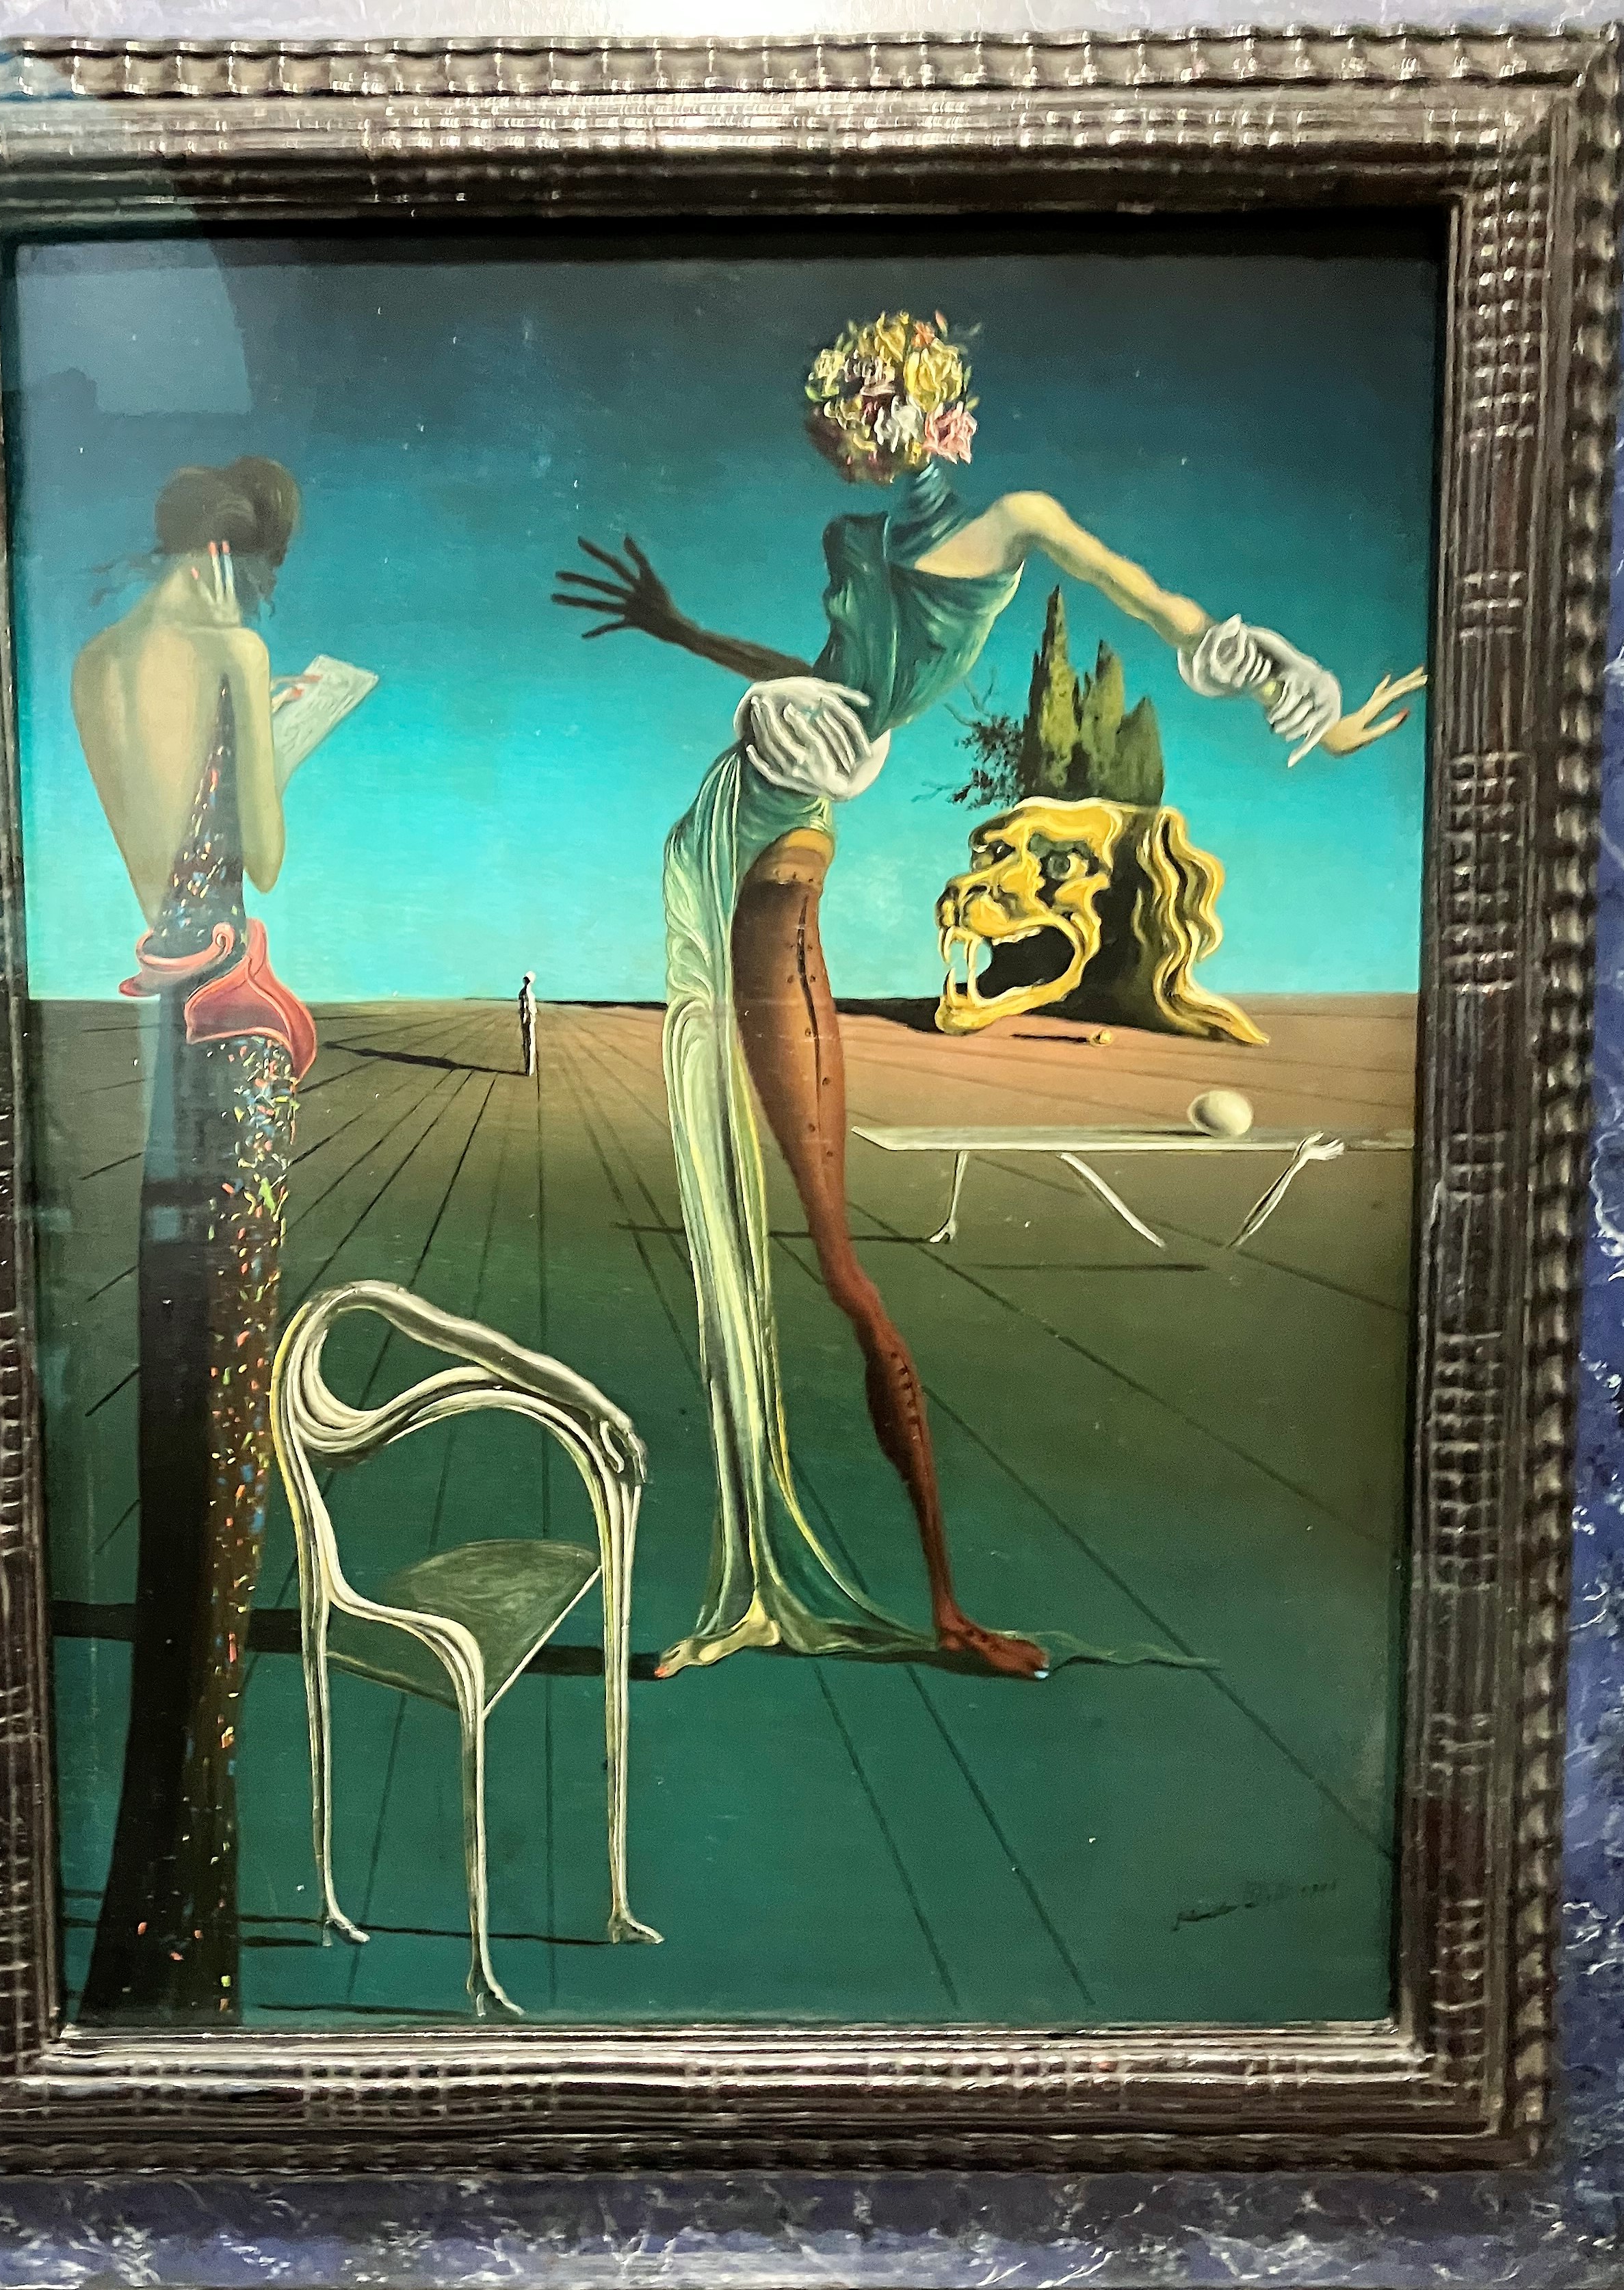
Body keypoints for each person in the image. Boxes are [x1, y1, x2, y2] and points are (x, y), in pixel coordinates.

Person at [554, 309, 1422, 1678]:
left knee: (835, 1262)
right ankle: (846, 1591)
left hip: (777, 872)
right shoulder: (856, 543)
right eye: (845, 421)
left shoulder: (1013, 520)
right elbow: (829, 686)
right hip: (732, 827)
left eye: (864, 413)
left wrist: (1302, 702)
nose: (852, 440)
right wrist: (680, 631)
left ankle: (937, 1603)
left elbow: (1164, 610)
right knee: (783, 1240)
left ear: (914, 412)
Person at [70, 456, 319, 2019]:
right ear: (236, 557)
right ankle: (181, 1950)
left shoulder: (100, 661)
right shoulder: (225, 644)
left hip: (175, 1049)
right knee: (226, 1477)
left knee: (185, 1460)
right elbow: (258, 862)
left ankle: (159, 1930)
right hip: (240, 1058)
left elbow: (158, 867)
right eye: (263, 570)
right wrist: (254, 703)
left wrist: (246, 728)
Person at [520, 970, 538, 1076]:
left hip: (530, 1020)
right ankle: (528, 1068)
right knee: (528, 1042)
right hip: (527, 1020)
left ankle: (529, 1068)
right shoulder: (525, 994)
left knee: (529, 1043)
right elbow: (523, 1008)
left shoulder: (529, 994)